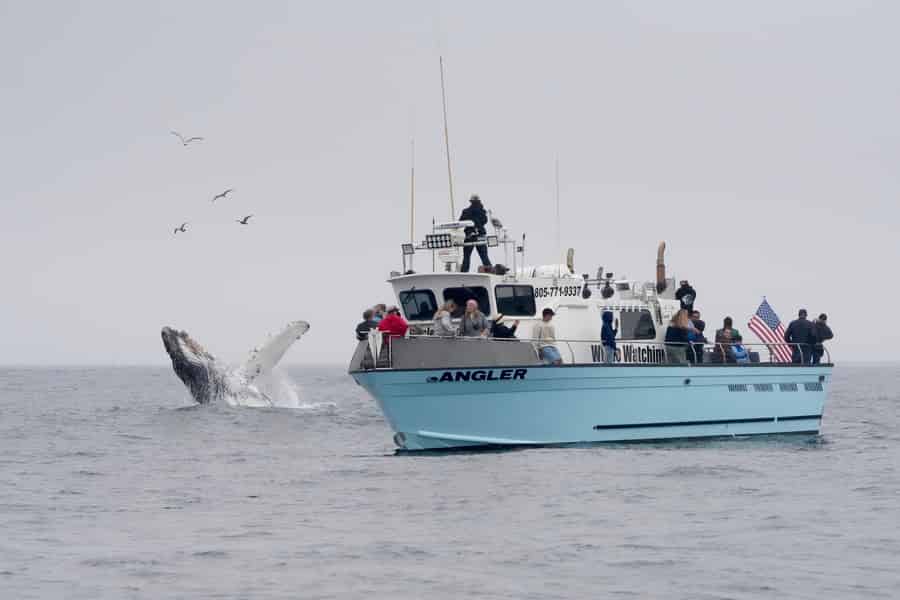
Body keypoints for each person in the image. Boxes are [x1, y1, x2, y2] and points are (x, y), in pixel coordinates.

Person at [459, 194, 492, 272]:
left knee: (466, 256)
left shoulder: (466, 211)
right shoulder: (482, 211)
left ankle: (464, 272)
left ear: (470, 201)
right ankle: (489, 271)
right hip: (480, 235)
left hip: (469, 236)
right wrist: (478, 224)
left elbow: (461, 221)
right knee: (484, 256)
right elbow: (485, 221)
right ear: (479, 201)